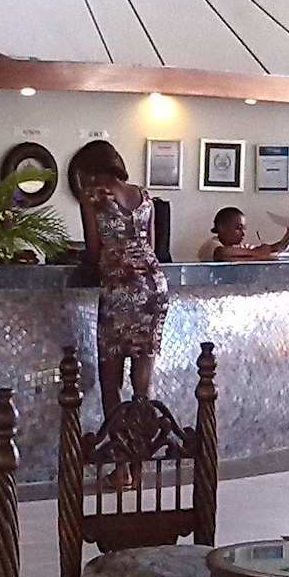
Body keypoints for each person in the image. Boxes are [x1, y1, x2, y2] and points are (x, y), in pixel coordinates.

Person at [74, 140, 169, 426]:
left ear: (89, 169)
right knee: (143, 381)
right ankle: (140, 449)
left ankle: (120, 452)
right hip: (154, 287)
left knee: (110, 380)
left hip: (120, 287)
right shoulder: (143, 195)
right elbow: (150, 246)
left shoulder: (92, 195)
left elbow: (93, 250)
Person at [196, 206, 289, 263]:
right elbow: (222, 253)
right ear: (221, 227)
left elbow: (272, 250)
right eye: (238, 228)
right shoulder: (211, 245)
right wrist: (258, 253)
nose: (243, 233)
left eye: (244, 229)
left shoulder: (242, 248)